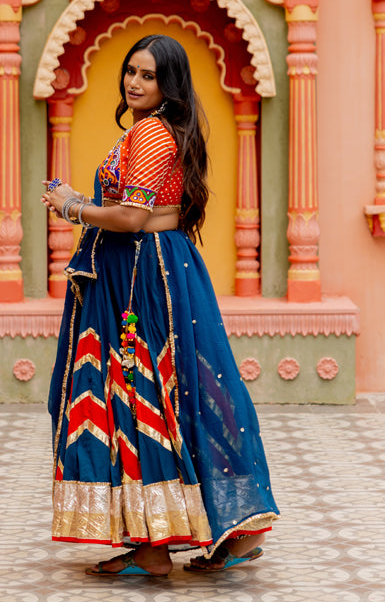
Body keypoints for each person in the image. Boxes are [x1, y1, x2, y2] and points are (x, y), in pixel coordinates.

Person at [43, 33, 279, 577]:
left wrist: (73, 206)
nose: (134, 82)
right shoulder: (161, 131)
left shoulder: (151, 133)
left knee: (135, 393)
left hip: (140, 278)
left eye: (148, 75)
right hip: (153, 267)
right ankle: (220, 531)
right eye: (130, 71)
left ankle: (154, 546)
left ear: (167, 84)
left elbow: (129, 218)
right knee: (175, 391)